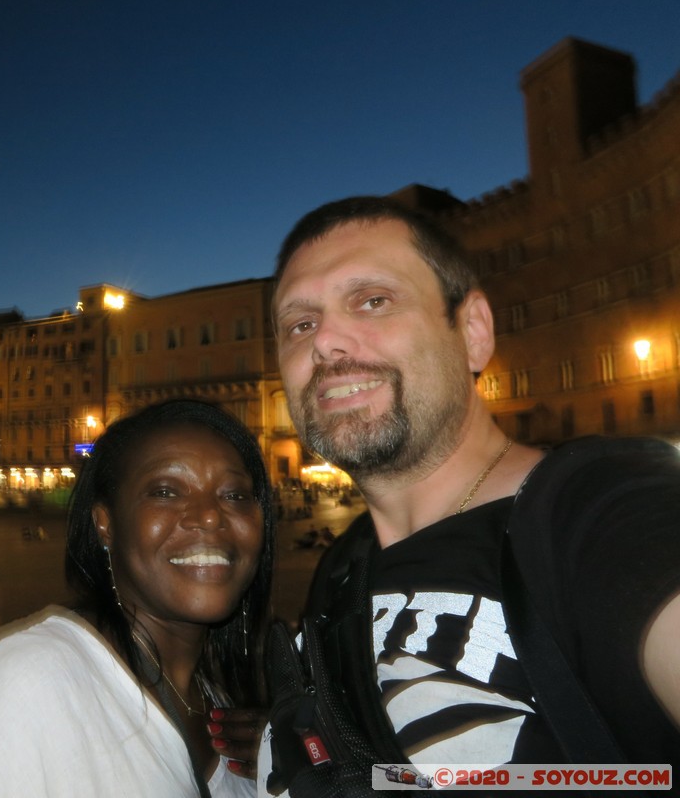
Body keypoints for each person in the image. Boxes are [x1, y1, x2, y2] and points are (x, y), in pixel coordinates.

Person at [261, 196, 680, 791]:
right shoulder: (339, 574)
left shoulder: (602, 510)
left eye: (373, 301)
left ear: (473, 332)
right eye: (299, 324)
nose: (324, 341)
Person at [0, 400, 277, 797]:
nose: (210, 516)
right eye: (166, 491)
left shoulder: (224, 708)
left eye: (235, 495)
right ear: (105, 523)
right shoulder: (31, 680)